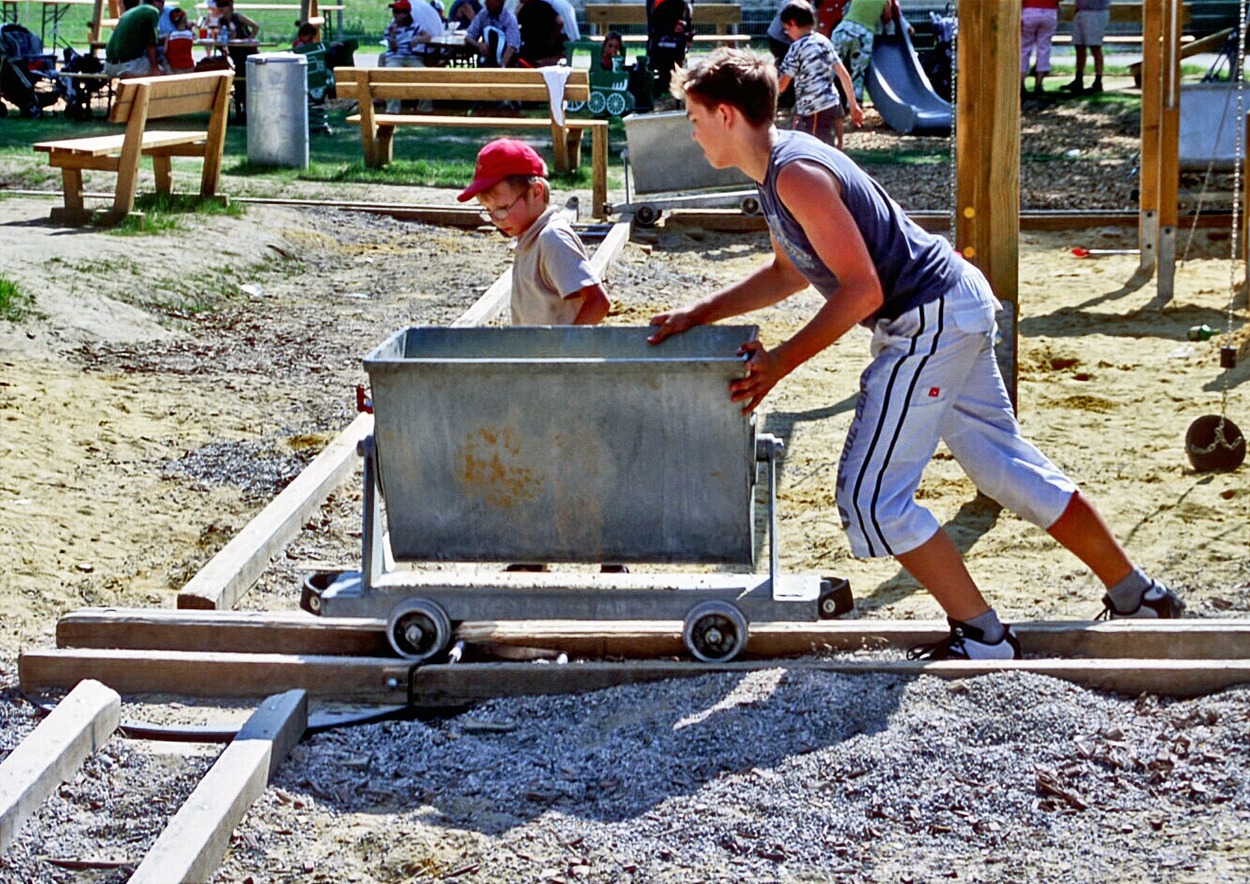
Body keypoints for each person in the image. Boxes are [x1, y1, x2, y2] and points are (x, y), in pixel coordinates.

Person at [648, 48, 1185, 661]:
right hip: (949, 304)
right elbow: (791, 272)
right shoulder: (775, 170)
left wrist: (780, 363)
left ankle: (983, 637)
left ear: (724, 114)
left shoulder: (793, 172)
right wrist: (701, 312)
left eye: (691, 116)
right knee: (1001, 466)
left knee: (872, 496)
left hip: (928, 317)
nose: (690, 131)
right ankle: (1138, 594)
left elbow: (862, 290)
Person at [458, 138, 610, 325]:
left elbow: (598, 302)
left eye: (503, 208)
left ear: (536, 193)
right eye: (488, 211)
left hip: (554, 353)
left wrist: (566, 350)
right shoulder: (529, 238)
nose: (496, 219)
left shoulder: (552, 239)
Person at [777, 0, 862, 150]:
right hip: (832, 103)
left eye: (787, 29)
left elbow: (782, 85)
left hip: (814, 108)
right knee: (827, 147)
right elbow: (844, 75)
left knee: (815, 151)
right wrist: (854, 106)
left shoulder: (796, 48)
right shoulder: (824, 42)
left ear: (793, 23)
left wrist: (768, 90)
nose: (788, 34)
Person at [380, 0, 439, 112]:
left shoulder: (414, 26)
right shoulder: (391, 28)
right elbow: (392, 48)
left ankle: (425, 108)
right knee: (391, 74)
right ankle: (392, 109)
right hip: (395, 57)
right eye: (395, 12)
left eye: (399, 12)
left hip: (411, 57)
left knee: (425, 74)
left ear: (406, 14)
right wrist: (392, 37)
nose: (396, 14)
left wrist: (417, 40)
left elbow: (427, 36)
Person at [829, 0, 890, 105]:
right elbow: (887, 18)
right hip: (865, 33)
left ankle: (820, 98)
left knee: (830, 67)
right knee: (858, 72)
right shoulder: (886, 1)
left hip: (845, 28)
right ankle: (853, 105)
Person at [104, 0, 164, 79]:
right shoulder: (152, 11)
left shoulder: (131, 12)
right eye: (162, 2)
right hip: (126, 65)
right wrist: (154, 69)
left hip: (109, 66)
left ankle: (130, 76)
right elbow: (151, 44)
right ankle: (130, 76)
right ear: (156, 2)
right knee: (161, 71)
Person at [1061, 0, 1110, 95]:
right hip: (1081, 11)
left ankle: (1098, 81)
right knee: (1079, 46)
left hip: (1096, 12)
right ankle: (1078, 80)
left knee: (1095, 47)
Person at [646, 0, 692, 100]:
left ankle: (672, 94)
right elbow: (656, 25)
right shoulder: (656, 3)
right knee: (663, 68)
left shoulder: (682, 5)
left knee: (674, 67)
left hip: (674, 44)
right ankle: (663, 93)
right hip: (661, 44)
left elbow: (685, 21)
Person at [1021, 0, 1060, 98]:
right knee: (1044, 48)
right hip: (1050, 11)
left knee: (1024, 48)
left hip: (1029, 10)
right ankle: (1039, 83)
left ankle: (1021, 82)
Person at [465, 0, 521, 67]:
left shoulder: (510, 19)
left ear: (500, 2)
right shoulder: (482, 14)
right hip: (486, 61)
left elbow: (512, 46)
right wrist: (478, 45)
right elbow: (468, 37)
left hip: (506, 63)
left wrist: (502, 67)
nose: (486, 3)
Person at [515, 0, 565, 67]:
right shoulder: (524, 8)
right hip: (533, 47)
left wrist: (552, 38)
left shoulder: (542, 6)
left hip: (538, 48)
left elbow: (560, 22)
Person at [163, 7, 196, 73]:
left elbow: (165, 51)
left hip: (174, 67)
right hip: (189, 66)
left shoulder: (170, 35)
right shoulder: (190, 34)